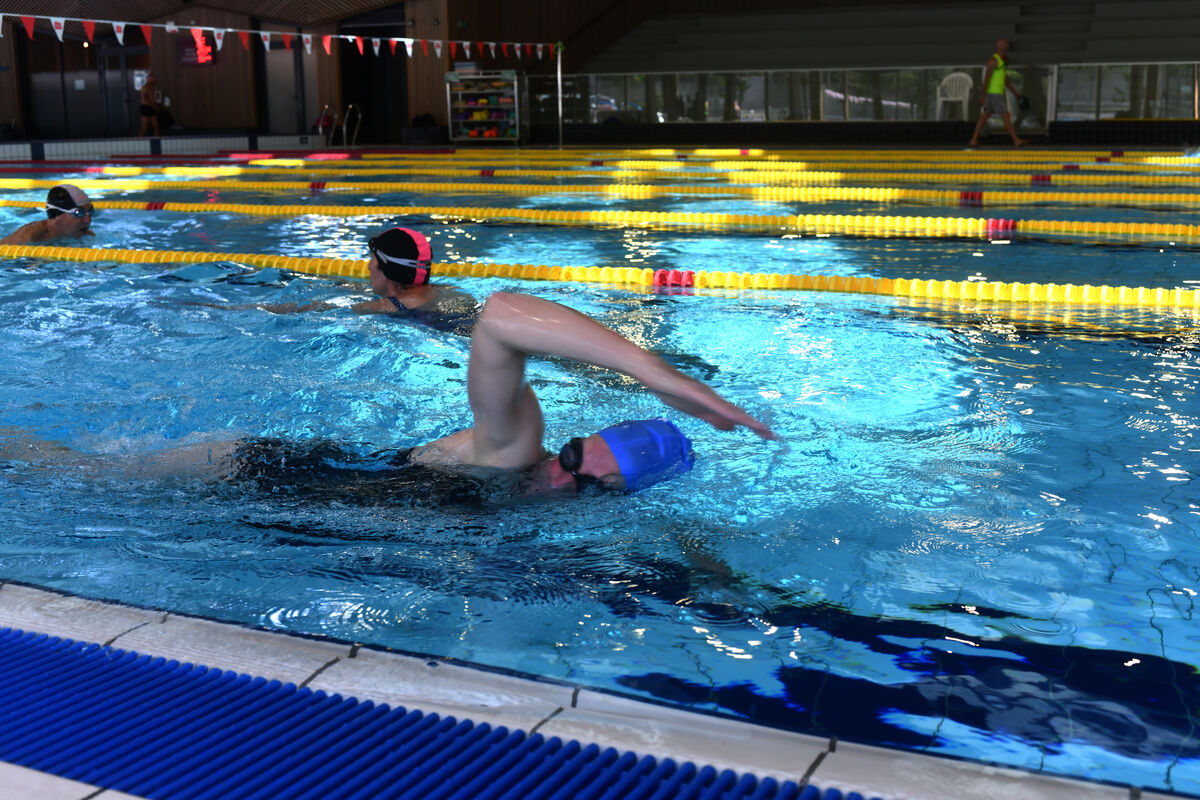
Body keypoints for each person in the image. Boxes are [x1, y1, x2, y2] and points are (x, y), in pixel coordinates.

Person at [2, 292, 775, 500]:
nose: (563, 474)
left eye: (591, 486)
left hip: (277, 529)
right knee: (69, 473)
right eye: (576, 454)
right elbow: (503, 319)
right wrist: (662, 380)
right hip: (251, 473)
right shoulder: (512, 451)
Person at [968, 38, 1028, 147]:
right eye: (1005, 44)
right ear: (999, 46)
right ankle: (1016, 140)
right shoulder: (993, 61)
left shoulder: (1002, 62)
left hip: (996, 94)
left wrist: (1015, 93)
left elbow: (1005, 80)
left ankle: (973, 140)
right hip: (994, 93)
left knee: (984, 116)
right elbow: (986, 79)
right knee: (1005, 115)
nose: (1007, 45)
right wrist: (983, 96)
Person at [0, 184, 95, 245]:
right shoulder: (30, 236)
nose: (87, 220)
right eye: (78, 213)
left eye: (90, 211)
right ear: (57, 215)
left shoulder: (87, 235)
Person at [138, 72, 161, 137]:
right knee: (145, 126)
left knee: (156, 126)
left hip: (151, 107)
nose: (153, 80)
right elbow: (145, 98)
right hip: (146, 108)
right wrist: (154, 105)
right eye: (152, 79)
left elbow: (153, 97)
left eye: (154, 79)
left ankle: (157, 140)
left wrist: (157, 105)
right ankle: (138, 141)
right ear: (148, 79)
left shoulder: (152, 88)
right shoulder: (145, 87)